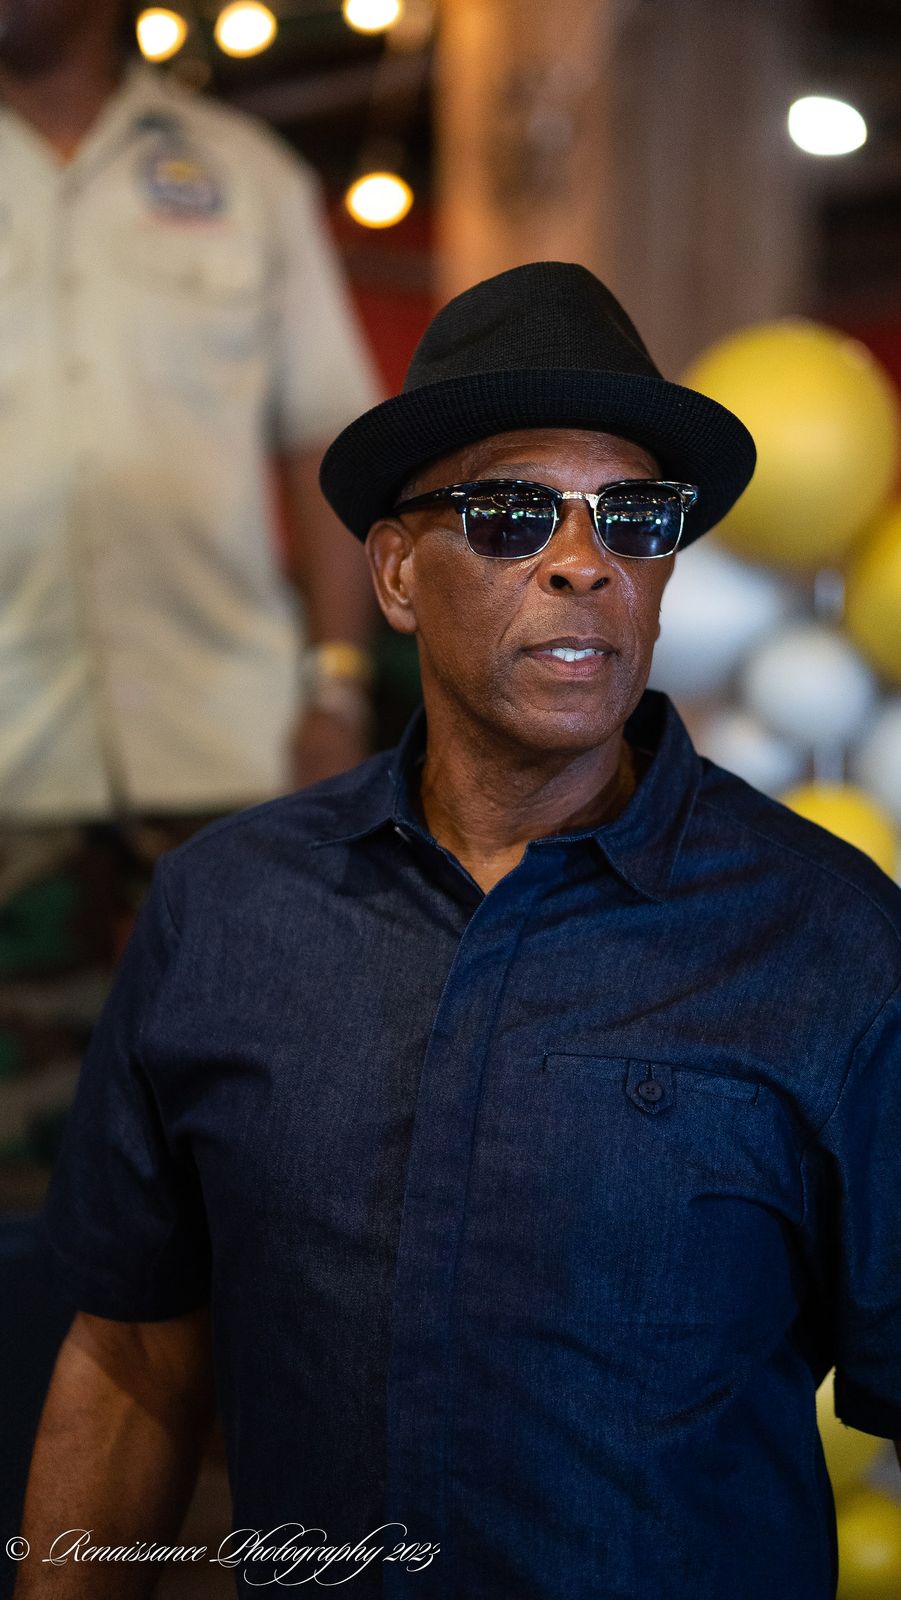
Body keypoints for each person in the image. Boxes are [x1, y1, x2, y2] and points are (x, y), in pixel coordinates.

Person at [16, 262, 901, 1600]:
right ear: (394, 574)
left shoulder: (829, 940)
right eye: (510, 513)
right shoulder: (225, 912)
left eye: (633, 517)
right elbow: (134, 1355)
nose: (582, 560)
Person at [0, 0, 380, 1178]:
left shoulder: (246, 174)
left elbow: (327, 443)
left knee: (259, 1130)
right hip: (7, 752)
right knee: (18, 1162)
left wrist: (337, 688)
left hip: (232, 740)